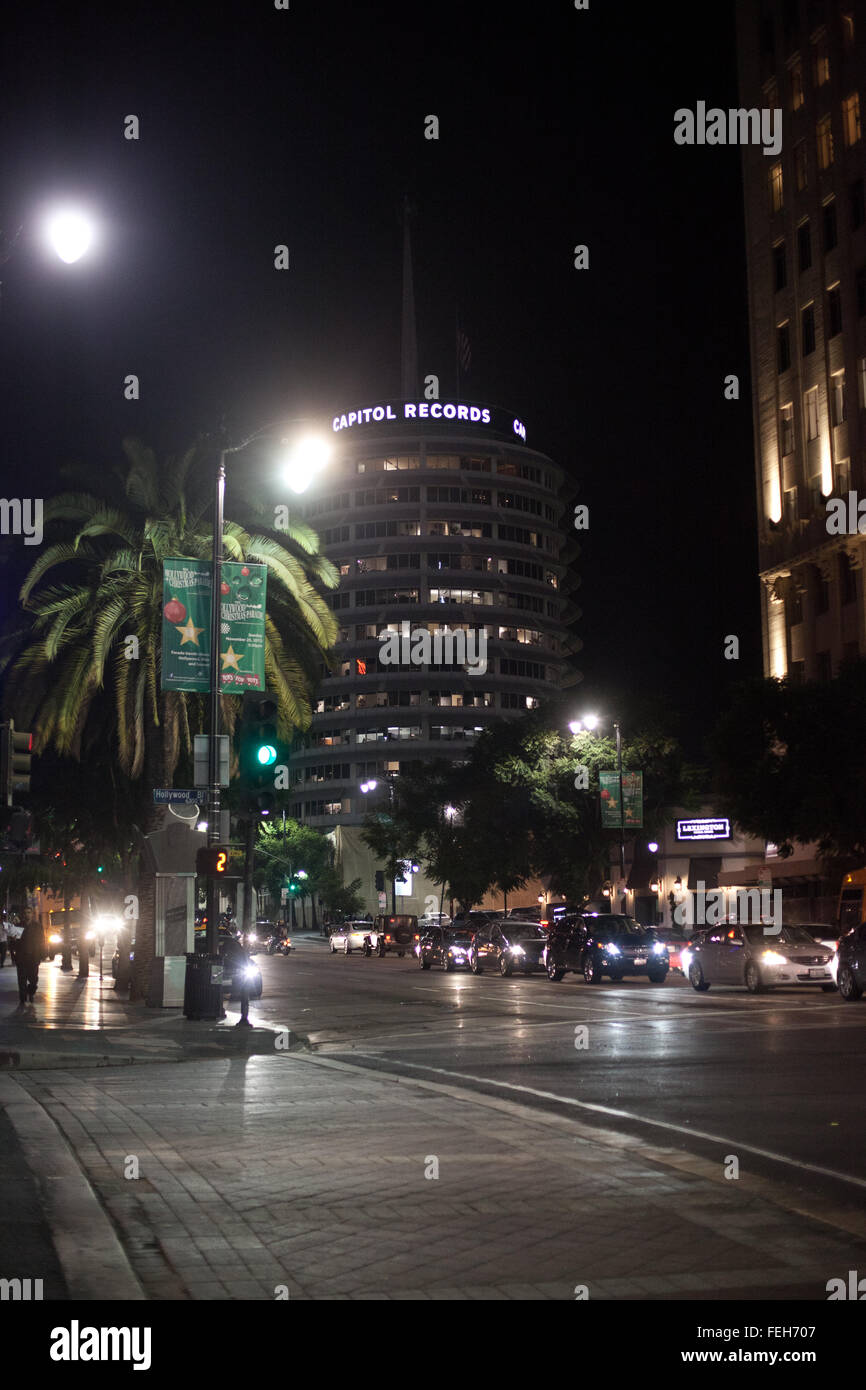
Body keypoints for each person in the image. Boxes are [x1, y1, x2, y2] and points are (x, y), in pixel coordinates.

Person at [15, 913, 46, 1006]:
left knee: (34, 979)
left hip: (34, 957)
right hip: (21, 957)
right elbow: (14, 942)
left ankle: (31, 991)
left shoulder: (37, 926)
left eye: (29, 912)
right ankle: (23, 998)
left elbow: (42, 940)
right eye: (26, 913)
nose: (27, 914)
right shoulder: (19, 926)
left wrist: (42, 954)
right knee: (22, 979)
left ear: (32, 915)